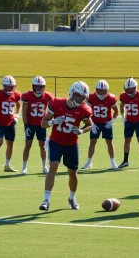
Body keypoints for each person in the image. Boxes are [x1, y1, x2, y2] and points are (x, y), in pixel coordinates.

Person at [39, 81, 92, 211]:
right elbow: (43, 123)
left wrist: (81, 131)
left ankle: (72, 197)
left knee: (72, 173)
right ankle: (46, 200)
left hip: (71, 144)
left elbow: (89, 125)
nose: (81, 99)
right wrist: (52, 121)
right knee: (53, 166)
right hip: (56, 141)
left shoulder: (84, 109)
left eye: (83, 97)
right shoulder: (56, 103)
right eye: (79, 96)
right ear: (72, 93)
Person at [81, 80, 119, 169]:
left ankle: (112, 161)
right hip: (95, 123)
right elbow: (87, 111)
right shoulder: (91, 97)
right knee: (92, 142)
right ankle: (89, 162)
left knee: (109, 142)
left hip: (106, 123)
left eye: (103, 90)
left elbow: (116, 111)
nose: (101, 92)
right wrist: (92, 123)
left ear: (107, 90)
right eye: (99, 90)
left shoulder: (111, 98)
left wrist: (111, 121)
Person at [0, 76, 21, 172]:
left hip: (10, 123)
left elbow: (19, 105)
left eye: (12, 86)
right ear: (3, 86)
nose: (10, 88)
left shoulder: (16, 94)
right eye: (8, 86)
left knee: (10, 144)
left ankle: (7, 165)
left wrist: (16, 116)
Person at [21, 76, 53, 175]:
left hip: (41, 125)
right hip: (30, 124)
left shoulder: (48, 96)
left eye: (40, 87)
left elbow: (53, 108)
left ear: (44, 87)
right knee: (28, 145)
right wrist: (26, 124)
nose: (38, 89)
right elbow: (24, 111)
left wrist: (49, 121)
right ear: (33, 86)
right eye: (37, 87)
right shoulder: (28, 96)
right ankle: (24, 167)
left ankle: (44, 166)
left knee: (42, 146)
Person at [118, 78, 139, 169]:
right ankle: (125, 161)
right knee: (127, 141)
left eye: (131, 89)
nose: (129, 91)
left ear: (135, 88)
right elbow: (122, 105)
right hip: (129, 121)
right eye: (127, 89)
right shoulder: (123, 96)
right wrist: (123, 117)